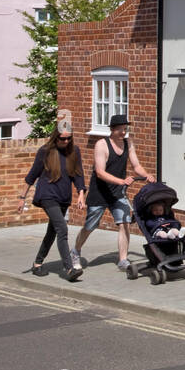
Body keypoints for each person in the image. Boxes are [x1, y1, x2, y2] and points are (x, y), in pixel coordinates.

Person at [75, 114, 150, 270]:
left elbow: (136, 165)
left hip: (117, 193)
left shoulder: (128, 143)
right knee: (90, 226)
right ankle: (75, 251)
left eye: (125, 129)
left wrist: (146, 175)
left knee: (125, 222)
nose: (124, 132)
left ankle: (123, 259)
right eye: (120, 129)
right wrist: (121, 181)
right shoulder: (101, 145)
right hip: (100, 192)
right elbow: (100, 172)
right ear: (112, 129)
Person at [19, 128, 86, 280]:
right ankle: (69, 269)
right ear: (55, 138)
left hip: (63, 197)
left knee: (52, 232)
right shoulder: (45, 151)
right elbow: (31, 176)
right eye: (62, 139)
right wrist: (22, 197)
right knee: (62, 228)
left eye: (69, 138)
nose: (66, 142)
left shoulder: (74, 151)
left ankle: (37, 263)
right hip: (47, 196)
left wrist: (81, 194)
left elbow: (78, 174)